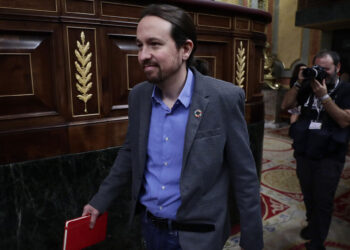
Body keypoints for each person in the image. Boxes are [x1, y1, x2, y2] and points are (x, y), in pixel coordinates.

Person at [82, 4, 263, 250]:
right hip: (150, 230)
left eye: (154, 44)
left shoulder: (224, 98)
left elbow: (245, 177)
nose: (143, 55)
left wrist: (252, 242)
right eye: (139, 45)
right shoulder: (139, 96)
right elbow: (129, 153)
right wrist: (100, 200)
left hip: (200, 237)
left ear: (185, 49)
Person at [281, 50, 350, 250]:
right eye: (318, 69)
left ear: (337, 68)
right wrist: (298, 82)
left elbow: (345, 120)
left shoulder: (346, 90)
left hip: (330, 155)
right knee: (308, 194)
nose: (322, 74)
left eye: (326, 69)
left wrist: (324, 97)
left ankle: (318, 242)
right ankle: (313, 226)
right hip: (305, 150)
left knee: (323, 199)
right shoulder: (307, 86)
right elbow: (286, 105)